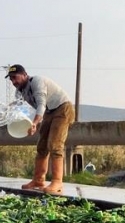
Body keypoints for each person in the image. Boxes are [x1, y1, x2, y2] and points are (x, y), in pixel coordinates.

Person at [5, 64, 75, 194]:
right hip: (49, 112)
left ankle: (57, 182)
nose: (13, 82)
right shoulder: (20, 91)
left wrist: (35, 123)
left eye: (15, 77)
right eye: (11, 79)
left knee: (54, 145)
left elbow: (41, 104)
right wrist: (8, 110)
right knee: (42, 146)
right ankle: (38, 180)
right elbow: (20, 109)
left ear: (25, 75)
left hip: (62, 108)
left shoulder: (37, 82)